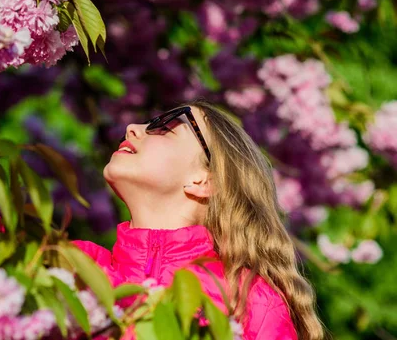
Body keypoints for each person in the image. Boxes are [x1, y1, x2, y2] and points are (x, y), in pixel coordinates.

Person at [74, 100, 325, 340]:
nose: (132, 128)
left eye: (165, 127)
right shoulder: (73, 267)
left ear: (204, 181)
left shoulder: (248, 301)